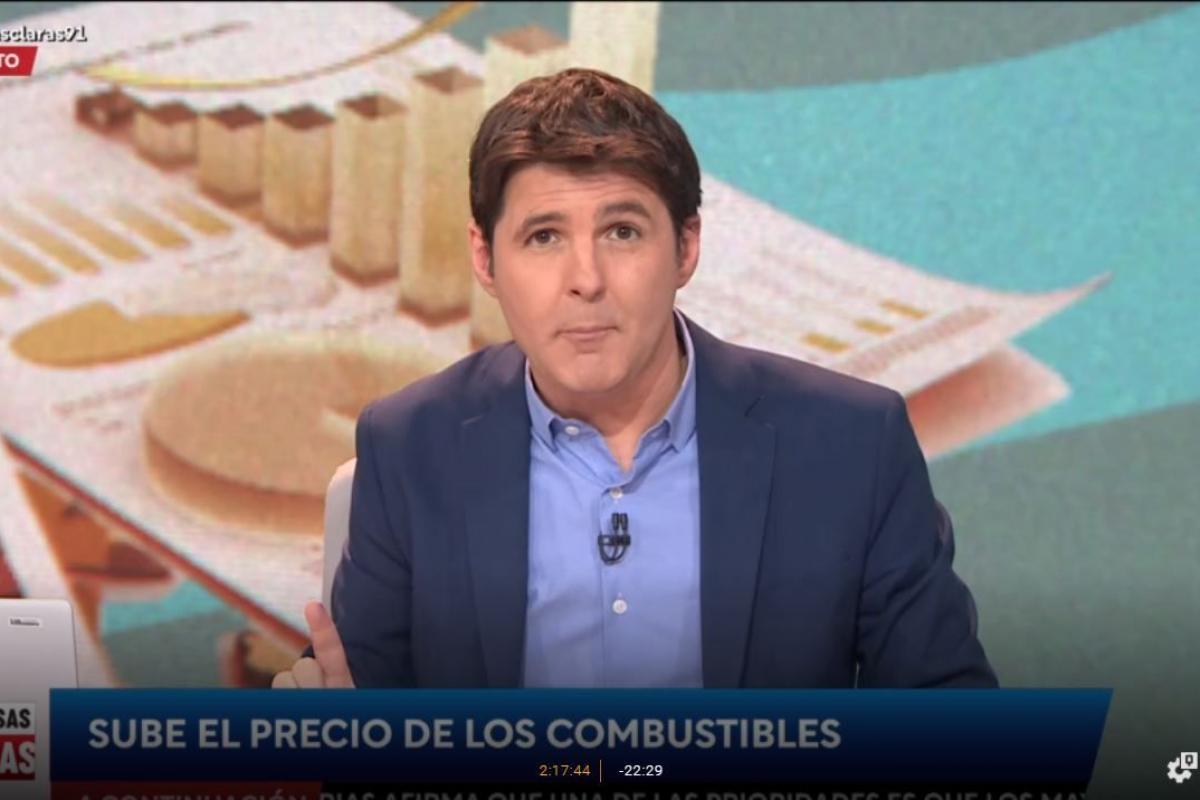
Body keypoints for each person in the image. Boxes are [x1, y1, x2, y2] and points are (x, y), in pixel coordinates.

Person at [272, 67, 997, 690]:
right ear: (485, 259)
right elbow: (362, 703)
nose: (586, 280)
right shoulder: (411, 446)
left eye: (622, 232)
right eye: (544, 237)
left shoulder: (850, 446)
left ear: (686, 247)